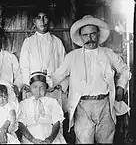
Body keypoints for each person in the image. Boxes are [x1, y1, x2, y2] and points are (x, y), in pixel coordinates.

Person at [49, 15, 131, 144]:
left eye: (93, 34)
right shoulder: (72, 57)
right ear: (81, 37)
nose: (89, 38)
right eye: (85, 35)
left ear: (98, 34)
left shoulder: (107, 53)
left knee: (106, 141)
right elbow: (56, 77)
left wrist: (121, 86)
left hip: (105, 105)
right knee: (84, 141)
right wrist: (37, 84)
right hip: (82, 107)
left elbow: (125, 70)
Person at [19, 7, 68, 106]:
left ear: (49, 20)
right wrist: (29, 84)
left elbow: (64, 65)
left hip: (53, 88)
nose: (42, 21)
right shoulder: (28, 42)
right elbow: (24, 66)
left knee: (53, 117)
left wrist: (54, 82)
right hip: (33, 88)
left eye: (45, 17)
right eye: (39, 18)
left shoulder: (56, 41)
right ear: (34, 21)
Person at [17, 71, 66, 144]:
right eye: (35, 87)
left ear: (46, 88)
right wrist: (32, 139)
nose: (38, 91)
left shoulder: (52, 102)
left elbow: (57, 123)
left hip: (50, 134)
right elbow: (21, 124)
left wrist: (50, 139)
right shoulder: (24, 104)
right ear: (30, 87)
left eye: (42, 87)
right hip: (31, 136)